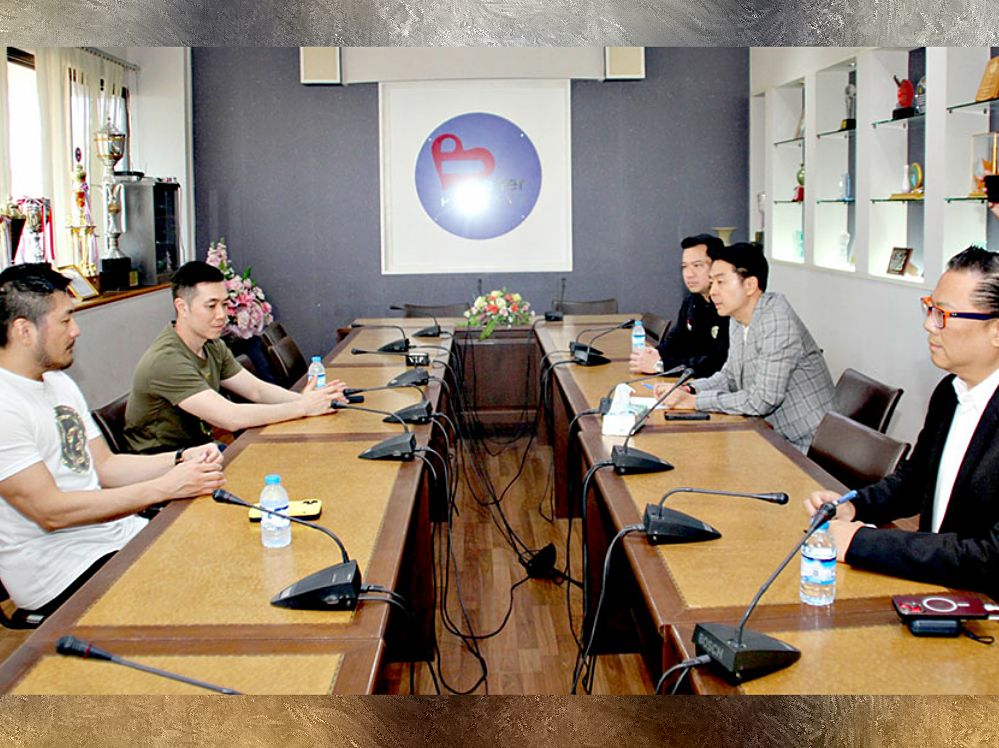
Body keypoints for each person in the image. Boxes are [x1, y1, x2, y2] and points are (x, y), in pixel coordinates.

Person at [0, 264, 226, 621]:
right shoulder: (5, 406)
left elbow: (105, 467)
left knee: (226, 548)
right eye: (65, 320)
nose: (76, 330)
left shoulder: (58, 383)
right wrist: (166, 487)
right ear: (24, 330)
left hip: (112, 537)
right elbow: (51, 511)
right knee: (208, 590)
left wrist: (180, 458)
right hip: (61, 570)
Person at [805, 247, 999, 599]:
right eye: (929, 308)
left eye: (943, 314)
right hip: (938, 590)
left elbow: (990, 557)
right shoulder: (950, 391)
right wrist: (854, 506)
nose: (929, 325)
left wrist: (862, 543)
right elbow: (914, 482)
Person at [124, 261, 348, 453]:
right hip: (165, 463)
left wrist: (308, 400)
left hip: (201, 450)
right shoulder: (167, 360)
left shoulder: (212, 344)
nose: (221, 315)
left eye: (224, 304)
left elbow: (256, 390)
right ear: (182, 307)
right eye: (211, 306)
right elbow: (229, 417)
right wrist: (303, 407)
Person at [655, 242, 834, 451]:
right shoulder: (738, 318)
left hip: (807, 447)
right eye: (712, 283)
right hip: (767, 434)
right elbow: (730, 376)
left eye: (720, 282)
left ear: (750, 285)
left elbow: (762, 400)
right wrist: (690, 389)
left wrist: (694, 402)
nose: (713, 292)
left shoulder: (777, 323)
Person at [629, 233, 729, 378]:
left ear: (717, 266)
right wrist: (656, 353)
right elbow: (676, 341)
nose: (689, 274)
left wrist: (661, 366)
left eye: (697, 265)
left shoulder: (729, 305)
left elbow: (717, 362)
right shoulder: (692, 300)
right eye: (684, 266)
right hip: (690, 381)